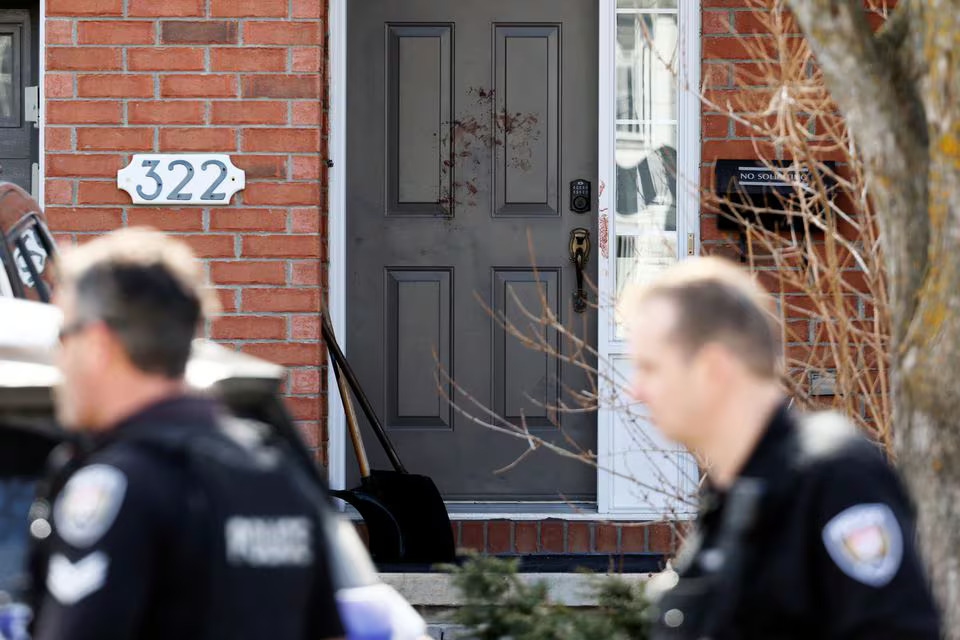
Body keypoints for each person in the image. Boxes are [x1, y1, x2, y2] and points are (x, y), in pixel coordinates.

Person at [26, 228, 345, 640]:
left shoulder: (121, 486)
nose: (57, 360)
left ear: (97, 343)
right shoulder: (279, 475)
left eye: (62, 337)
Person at [626, 257, 941, 639]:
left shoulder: (835, 478)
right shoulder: (735, 497)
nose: (636, 391)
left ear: (712, 368)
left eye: (650, 368)